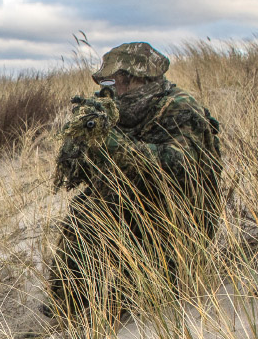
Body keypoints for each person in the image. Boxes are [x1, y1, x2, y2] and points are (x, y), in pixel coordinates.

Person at [48, 41, 223, 323]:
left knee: (147, 284)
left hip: (177, 220)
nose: (112, 90)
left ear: (141, 79)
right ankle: (74, 303)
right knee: (87, 213)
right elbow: (78, 174)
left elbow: (180, 167)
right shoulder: (114, 110)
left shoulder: (179, 109)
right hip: (133, 208)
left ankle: (135, 293)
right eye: (108, 82)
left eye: (118, 81)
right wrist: (81, 142)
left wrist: (115, 143)